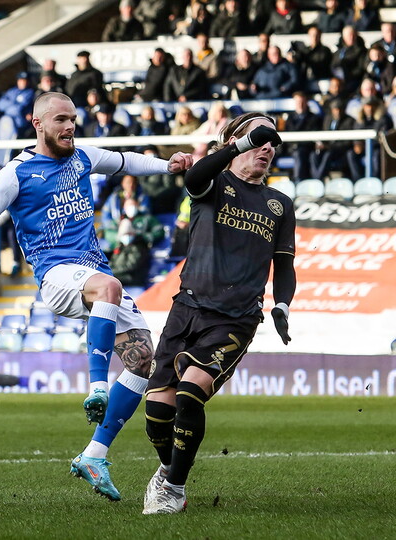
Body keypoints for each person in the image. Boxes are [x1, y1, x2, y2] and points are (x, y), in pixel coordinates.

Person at [0, 92, 193, 501]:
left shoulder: (83, 157)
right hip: (56, 275)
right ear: (38, 124)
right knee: (110, 285)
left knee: (143, 360)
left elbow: (125, 160)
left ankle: (94, 455)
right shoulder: (15, 175)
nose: (70, 127)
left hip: (91, 272)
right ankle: (97, 387)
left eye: (73, 119)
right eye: (61, 120)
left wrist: (167, 164)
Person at [141, 113, 295, 515]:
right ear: (234, 142)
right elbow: (195, 178)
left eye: (272, 141)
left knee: (191, 393)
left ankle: (173, 488)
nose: (267, 146)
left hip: (235, 318)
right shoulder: (213, 182)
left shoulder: (279, 204)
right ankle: (167, 470)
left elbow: (285, 263)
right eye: (258, 138)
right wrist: (236, 145)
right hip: (187, 308)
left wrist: (281, 304)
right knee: (157, 414)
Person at [110, 199, 165, 288]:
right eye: (124, 234)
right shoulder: (120, 247)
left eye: (128, 233)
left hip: (134, 280)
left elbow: (131, 265)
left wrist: (111, 272)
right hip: (121, 279)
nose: (126, 236)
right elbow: (113, 261)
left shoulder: (139, 246)